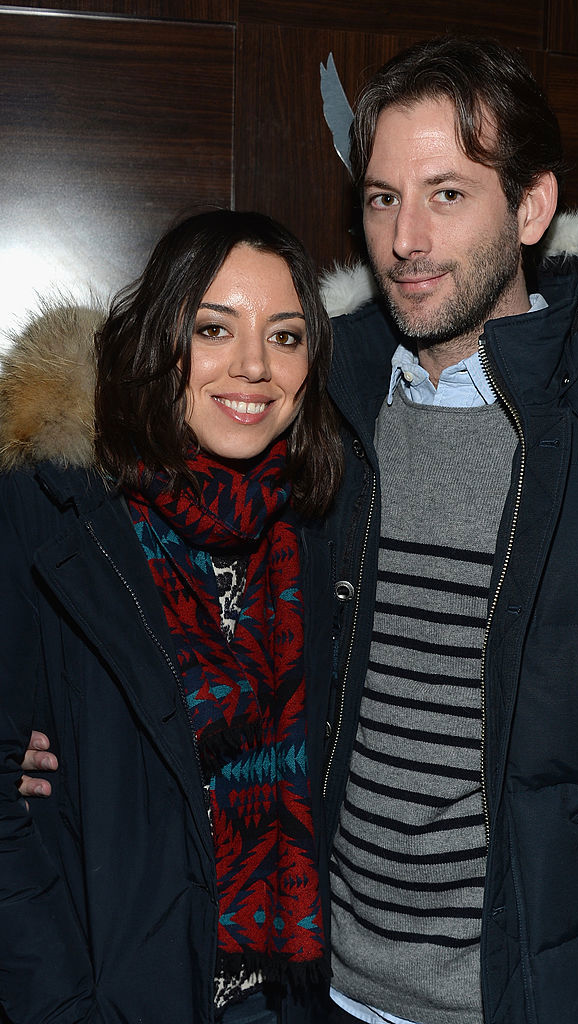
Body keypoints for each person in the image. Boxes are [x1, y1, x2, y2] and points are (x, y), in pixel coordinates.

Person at [20, 35, 578, 1024]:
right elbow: (174, 591)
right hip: (317, 996)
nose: (406, 237)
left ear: (532, 206)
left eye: (447, 193)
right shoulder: (323, 408)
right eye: (381, 197)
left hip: (531, 998)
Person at [0, 209, 343, 1023]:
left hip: (289, 996)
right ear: (162, 340)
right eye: (215, 329)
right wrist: (61, 1006)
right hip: (116, 992)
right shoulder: (54, 512)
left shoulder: (325, 525)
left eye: (287, 337)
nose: (254, 366)